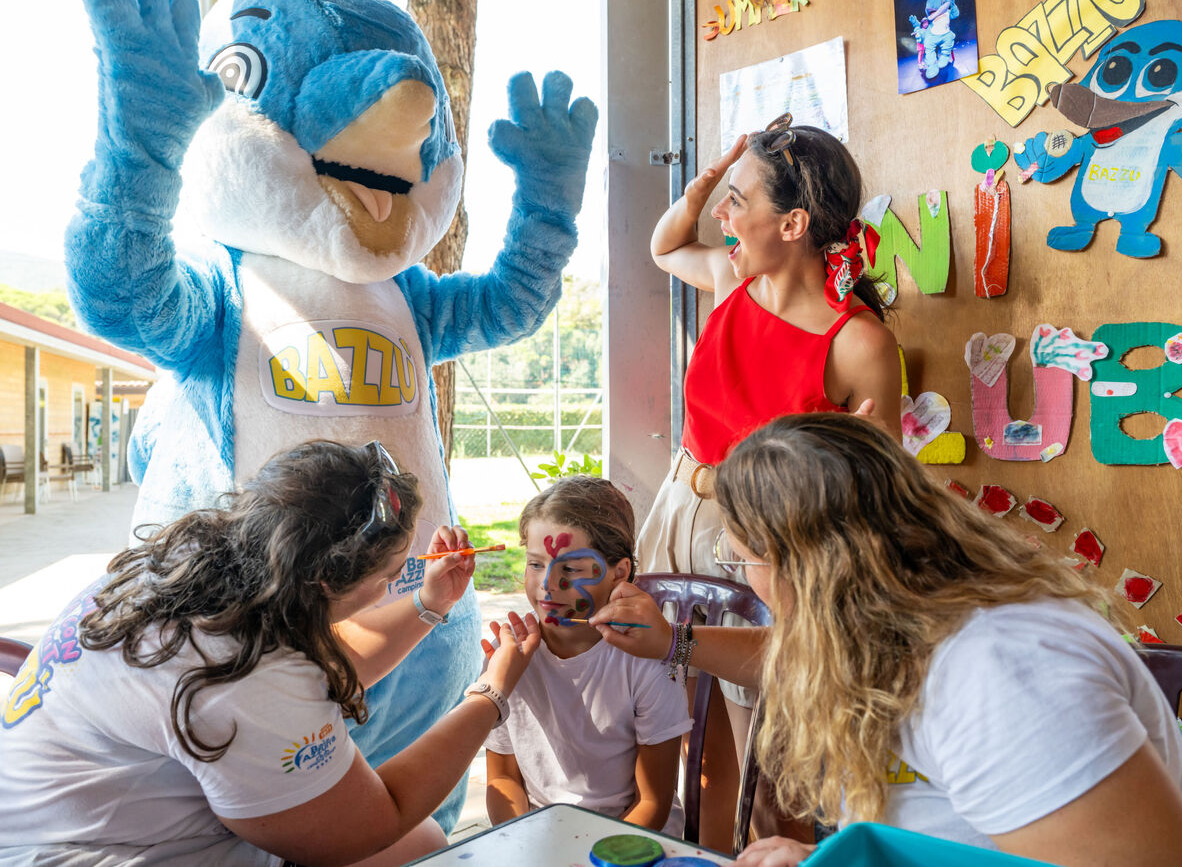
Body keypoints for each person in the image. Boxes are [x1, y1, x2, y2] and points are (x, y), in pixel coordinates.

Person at [595, 413, 1182, 866]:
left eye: (744, 560)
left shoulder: (1004, 671)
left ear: (807, 568)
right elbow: (794, 660)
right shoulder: (906, 620)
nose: (746, 576)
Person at [0, 440, 540, 867]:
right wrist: (490, 695)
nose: (398, 582)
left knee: (420, 841)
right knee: (417, 843)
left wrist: (429, 602)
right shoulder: (239, 680)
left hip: (57, 816)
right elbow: (371, 824)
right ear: (326, 581)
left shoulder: (198, 561)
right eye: (392, 575)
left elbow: (324, 666)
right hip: (83, 854)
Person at [640, 115, 902, 847]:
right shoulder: (732, 276)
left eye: (739, 199)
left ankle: (780, 855)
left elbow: (884, 495)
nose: (723, 216)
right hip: (677, 511)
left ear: (792, 224)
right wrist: (703, 187)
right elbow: (665, 247)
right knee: (685, 729)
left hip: (768, 548)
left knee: (766, 754)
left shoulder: (859, 343)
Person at [484, 476, 692, 835]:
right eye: (535, 564)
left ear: (619, 573)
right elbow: (502, 779)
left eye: (570, 569)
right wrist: (519, 840)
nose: (547, 584)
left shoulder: (648, 662)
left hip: (631, 841)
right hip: (539, 835)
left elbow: (652, 803)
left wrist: (582, 855)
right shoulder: (508, 656)